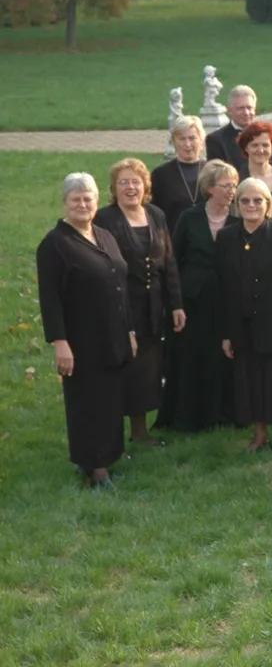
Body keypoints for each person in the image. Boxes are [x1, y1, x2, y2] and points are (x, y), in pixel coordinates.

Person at [37, 172, 135, 489]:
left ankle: (106, 458)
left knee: (110, 401)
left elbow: (121, 285)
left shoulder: (104, 235)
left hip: (114, 334)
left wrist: (130, 331)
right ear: (65, 202)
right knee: (88, 403)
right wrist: (60, 342)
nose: (82, 204)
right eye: (76, 199)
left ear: (96, 201)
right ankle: (96, 469)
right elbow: (50, 299)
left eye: (88, 198)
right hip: (81, 339)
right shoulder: (55, 245)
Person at [93, 160, 184, 450]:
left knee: (145, 372)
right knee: (121, 370)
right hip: (121, 306)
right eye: (123, 182)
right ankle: (110, 434)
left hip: (153, 308)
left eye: (136, 182)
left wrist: (176, 304)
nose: (130, 187)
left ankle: (140, 431)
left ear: (145, 186)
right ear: (114, 188)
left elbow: (168, 261)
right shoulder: (104, 219)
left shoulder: (156, 214)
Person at [216, 177, 272, 459]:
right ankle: (260, 434)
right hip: (242, 326)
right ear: (237, 204)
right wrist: (226, 333)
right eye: (245, 200)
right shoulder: (226, 237)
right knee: (251, 382)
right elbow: (222, 288)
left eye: (258, 200)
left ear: (268, 204)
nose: (251, 205)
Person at [163, 161, 239, 432]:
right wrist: (176, 301)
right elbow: (173, 258)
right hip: (194, 299)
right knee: (193, 355)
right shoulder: (190, 217)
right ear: (209, 188)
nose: (231, 191)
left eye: (234, 185)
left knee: (224, 355)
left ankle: (224, 413)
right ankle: (189, 415)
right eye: (225, 185)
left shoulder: (240, 218)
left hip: (228, 298)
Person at [207, 84, 272, 176]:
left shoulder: (267, 134)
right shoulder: (216, 140)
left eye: (249, 108)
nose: (246, 112)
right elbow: (215, 176)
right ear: (229, 110)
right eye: (240, 108)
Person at [152, 115, 207, 229]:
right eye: (182, 139)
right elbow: (153, 213)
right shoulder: (160, 174)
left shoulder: (212, 171)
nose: (187, 144)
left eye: (192, 138)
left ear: (201, 140)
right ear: (174, 142)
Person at [238, 121, 272, 202]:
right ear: (246, 148)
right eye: (255, 145)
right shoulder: (237, 179)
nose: (260, 150)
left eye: (265, 145)